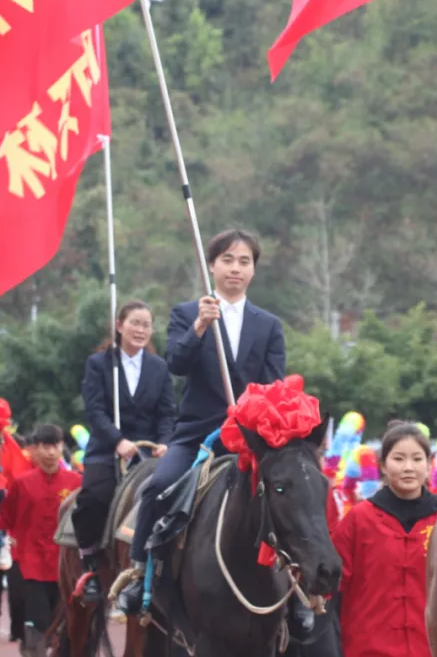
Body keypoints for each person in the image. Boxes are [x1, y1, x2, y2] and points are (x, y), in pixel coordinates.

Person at [119, 228, 286, 614]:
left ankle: (299, 590)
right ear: (211, 265)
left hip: (249, 435)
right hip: (198, 435)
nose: (235, 269)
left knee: (290, 494)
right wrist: (198, 327)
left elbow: (274, 384)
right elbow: (176, 365)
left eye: (244, 262)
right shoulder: (186, 313)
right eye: (227, 260)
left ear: (253, 271)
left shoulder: (269, 325)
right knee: (159, 485)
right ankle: (140, 569)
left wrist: (254, 419)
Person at [72, 300, 177, 602]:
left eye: (146, 324)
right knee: (94, 498)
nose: (141, 330)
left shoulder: (160, 368)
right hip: (108, 450)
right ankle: (90, 565)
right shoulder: (99, 364)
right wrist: (117, 441)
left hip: (148, 453)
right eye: (135, 323)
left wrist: (165, 442)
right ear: (119, 326)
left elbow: (167, 413)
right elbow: (94, 410)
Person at [330, 422, 437, 657]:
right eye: (399, 459)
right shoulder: (359, 520)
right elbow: (331, 583)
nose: (408, 468)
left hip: (432, 648)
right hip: (367, 648)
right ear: (383, 465)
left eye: (417, 459)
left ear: (429, 465)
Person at [0, 424, 81, 655]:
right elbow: (6, 519)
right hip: (32, 567)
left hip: (65, 568)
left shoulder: (76, 482)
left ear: (62, 447)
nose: (50, 452)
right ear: (34, 449)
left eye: (55, 446)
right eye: (45, 447)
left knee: (66, 629)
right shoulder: (22, 483)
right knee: (38, 626)